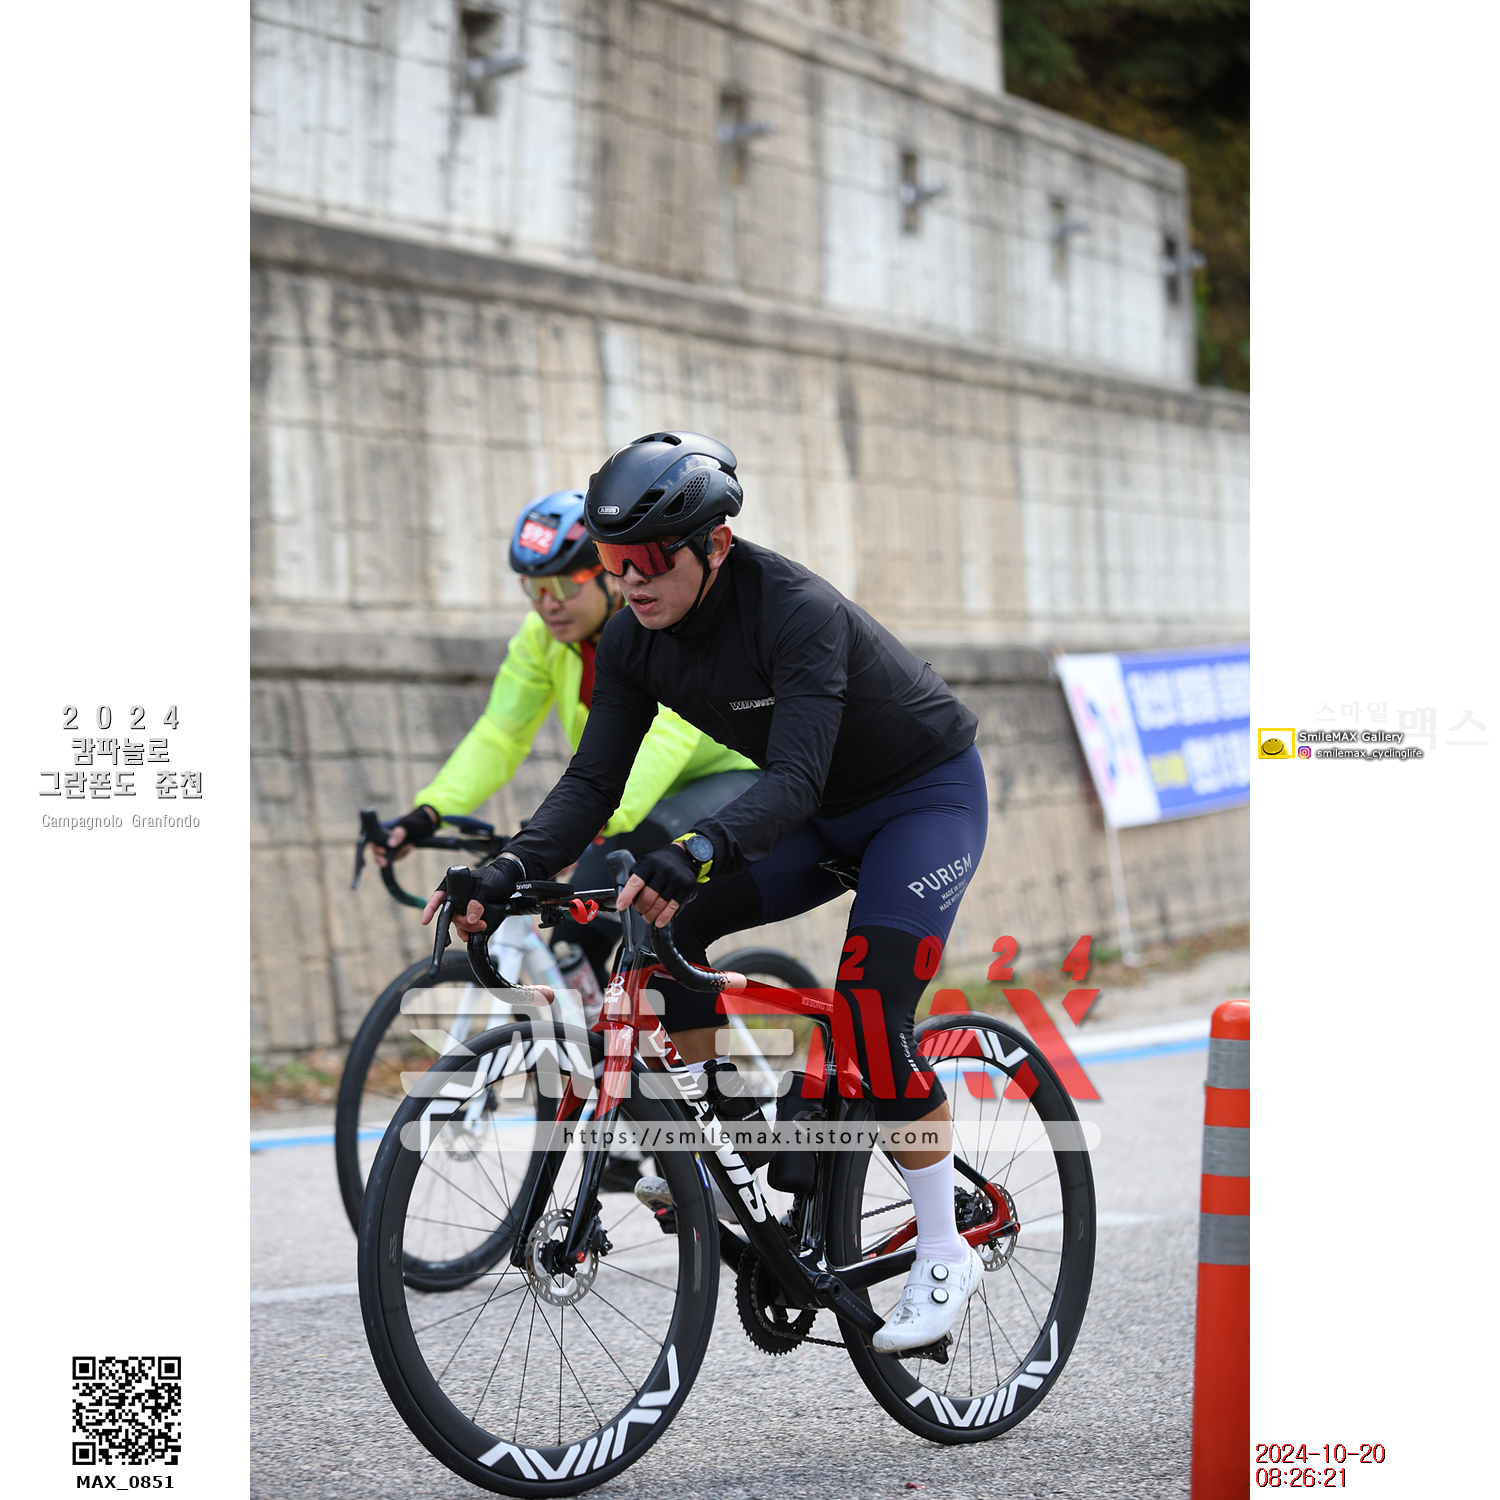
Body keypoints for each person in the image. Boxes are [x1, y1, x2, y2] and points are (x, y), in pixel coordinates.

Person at [424, 434, 991, 1356]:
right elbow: (592, 783)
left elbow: (795, 777)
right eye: (615, 563)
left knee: (867, 1011)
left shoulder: (794, 611)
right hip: (821, 810)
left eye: (650, 561)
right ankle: (725, 1132)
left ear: (716, 544)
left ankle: (943, 1250)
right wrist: (509, 869)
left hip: (921, 801)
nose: (630, 581)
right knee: (667, 928)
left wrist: (700, 845)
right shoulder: (630, 638)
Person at [381, 490, 760, 984]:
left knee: (640, 919)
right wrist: (431, 811)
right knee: (571, 942)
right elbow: (500, 734)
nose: (547, 605)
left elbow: (665, 740)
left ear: (609, 573)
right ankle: (596, 1033)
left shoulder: (660, 627)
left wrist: (572, 832)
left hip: (726, 777)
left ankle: (686, 1030)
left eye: (562, 585)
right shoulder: (541, 638)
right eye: (533, 588)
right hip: (626, 794)